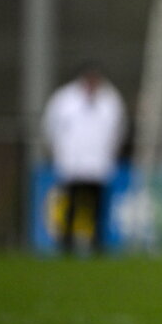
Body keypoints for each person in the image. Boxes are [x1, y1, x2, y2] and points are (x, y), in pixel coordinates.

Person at [42, 63, 127, 255]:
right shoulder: (64, 99)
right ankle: (66, 242)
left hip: (99, 162)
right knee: (71, 203)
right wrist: (59, 151)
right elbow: (50, 126)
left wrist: (110, 152)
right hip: (72, 161)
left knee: (97, 206)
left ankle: (97, 243)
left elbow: (119, 130)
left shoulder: (110, 100)